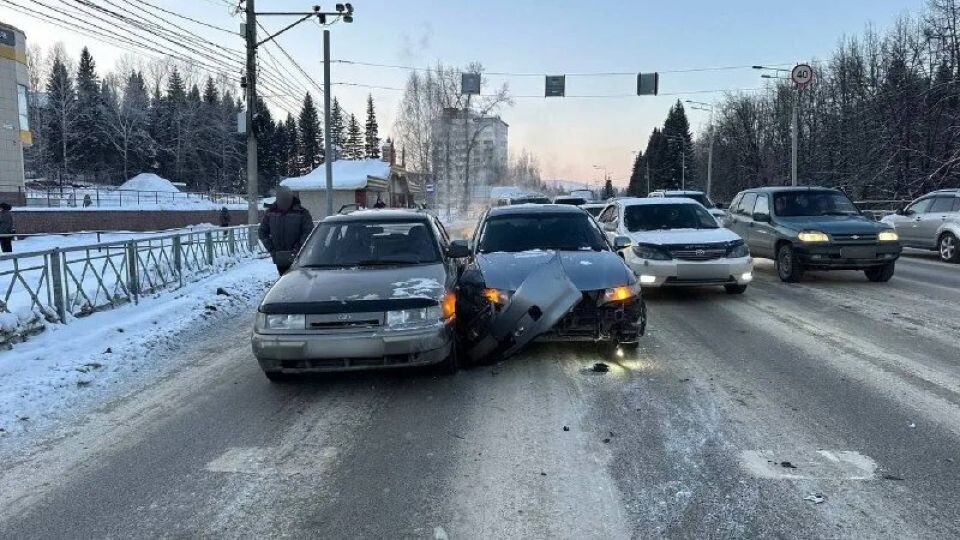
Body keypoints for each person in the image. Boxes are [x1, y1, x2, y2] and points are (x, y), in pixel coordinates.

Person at [258, 187, 313, 275]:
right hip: (279, 257)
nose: (284, 203)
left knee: (297, 282)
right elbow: (262, 232)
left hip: (299, 257)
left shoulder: (302, 213)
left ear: (291, 199)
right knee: (283, 282)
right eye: (282, 201)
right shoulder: (271, 213)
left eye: (286, 200)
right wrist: (272, 249)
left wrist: (298, 248)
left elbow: (308, 233)